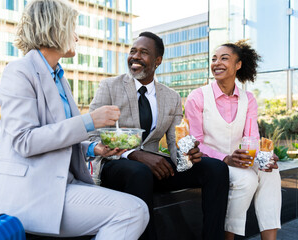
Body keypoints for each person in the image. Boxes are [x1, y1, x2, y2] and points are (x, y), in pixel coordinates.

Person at [0, 0, 149, 239]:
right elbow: (25, 141)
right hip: (29, 192)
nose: (76, 37)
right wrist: (90, 121)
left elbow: (56, 134)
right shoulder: (19, 71)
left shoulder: (59, 77)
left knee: (134, 209)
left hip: (59, 186)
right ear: (54, 28)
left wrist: (92, 147)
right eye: (72, 28)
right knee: (133, 211)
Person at [89, 31, 229, 240]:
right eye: (132, 51)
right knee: (139, 172)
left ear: (157, 61)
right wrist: (134, 154)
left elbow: (175, 144)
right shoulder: (110, 87)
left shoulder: (171, 97)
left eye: (143, 52)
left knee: (216, 168)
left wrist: (186, 154)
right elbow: (92, 137)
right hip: (116, 163)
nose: (135, 56)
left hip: (155, 168)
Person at [185, 40, 281, 240]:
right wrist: (225, 158)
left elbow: (252, 137)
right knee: (247, 180)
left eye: (224, 58)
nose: (217, 63)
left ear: (238, 65)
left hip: (238, 160)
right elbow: (195, 142)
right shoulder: (198, 97)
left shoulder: (248, 99)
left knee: (271, 173)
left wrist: (264, 157)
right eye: (214, 59)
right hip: (211, 163)